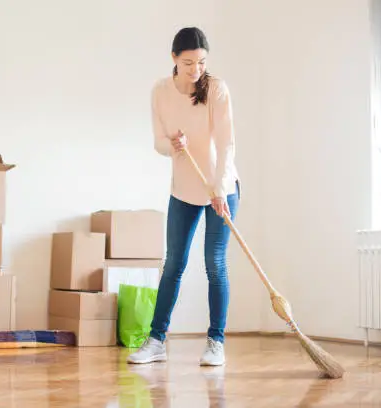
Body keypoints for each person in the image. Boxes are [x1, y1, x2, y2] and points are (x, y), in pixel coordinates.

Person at [127, 27, 240, 366]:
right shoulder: (160, 92)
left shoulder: (216, 89)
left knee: (215, 265)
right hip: (184, 190)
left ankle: (215, 342)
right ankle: (156, 340)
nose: (196, 70)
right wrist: (172, 145)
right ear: (174, 59)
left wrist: (220, 189)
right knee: (174, 265)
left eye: (201, 62)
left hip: (222, 189)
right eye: (188, 62)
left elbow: (226, 144)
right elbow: (158, 142)